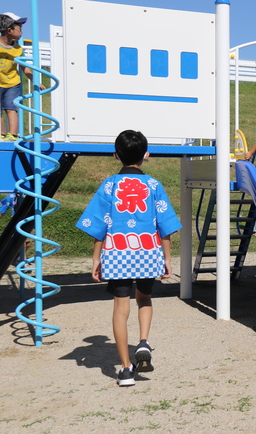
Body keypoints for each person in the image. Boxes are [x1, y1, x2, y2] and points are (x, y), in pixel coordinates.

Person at [75, 130, 182, 387]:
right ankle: (143, 341)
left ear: (115, 155)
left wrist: (96, 259)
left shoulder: (109, 185)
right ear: (147, 155)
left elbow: (99, 225)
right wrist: (167, 259)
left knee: (120, 309)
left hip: (117, 253)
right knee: (144, 298)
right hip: (148, 252)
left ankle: (124, 370)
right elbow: (164, 226)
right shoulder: (154, 186)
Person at [0, 12, 44, 142]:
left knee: (11, 108)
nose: (22, 33)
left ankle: (12, 135)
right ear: (9, 30)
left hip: (12, 83)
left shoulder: (18, 49)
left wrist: (35, 80)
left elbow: (25, 68)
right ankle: (1, 135)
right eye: (19, 29)